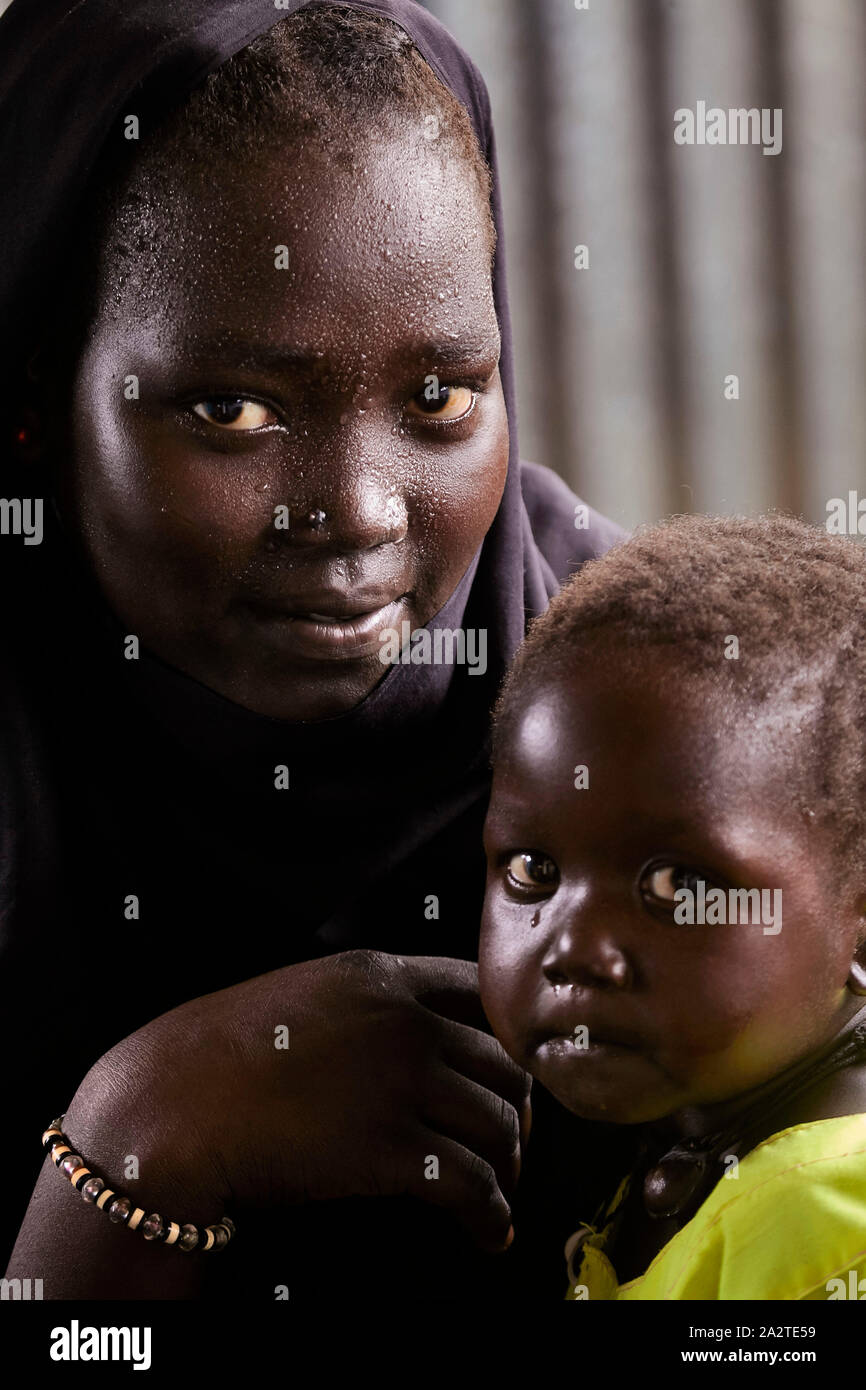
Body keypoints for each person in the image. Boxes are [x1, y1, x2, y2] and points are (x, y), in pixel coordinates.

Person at [0, 1, 622, 1297]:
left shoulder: (677, 721)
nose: (357, 511)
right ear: (33, 408)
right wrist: (135, 1142)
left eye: (438, 397)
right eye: (232, 409)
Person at [479, 512, 866, 1300]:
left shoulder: (822, 1226)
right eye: (533, 869)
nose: (576, 947)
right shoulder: (699, 1138)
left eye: (677, 888)